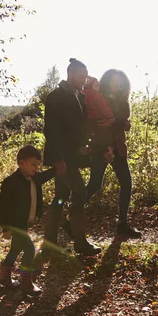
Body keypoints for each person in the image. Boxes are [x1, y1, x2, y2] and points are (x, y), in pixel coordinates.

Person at [41, 58, 102, 256]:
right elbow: (51, 131)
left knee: (60, 196)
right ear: (70, 74)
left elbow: (82, 126)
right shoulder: (55, 97)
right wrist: (58, 160)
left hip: (72, 157)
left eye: (85, 76)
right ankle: (80, 243)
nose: (83, 80)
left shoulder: (80, 96)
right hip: (62, 157)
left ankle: (49, 243)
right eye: (80, 76)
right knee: (80, 192)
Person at [85, 69, 142, 238]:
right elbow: (95, 120)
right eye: (113, 81)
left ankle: (122, 224)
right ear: (107, 81)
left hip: (117, 147)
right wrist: (117, 124)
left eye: (119, 82)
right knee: (95, 183)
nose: (116, 84)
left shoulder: (123, 99)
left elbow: (123, 122)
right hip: (100, 146)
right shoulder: (98, 96)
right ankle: (70, 217)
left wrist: (118, 122)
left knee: (126, 183)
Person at [0, 145, 56, 295]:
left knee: (16, 248)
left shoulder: (35, 178)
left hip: (24, 222)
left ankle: (4, 277)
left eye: (38, 165)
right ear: (21, 163)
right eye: (33, 164)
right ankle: (26, 282)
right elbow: (3, 207)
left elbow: (44, 176)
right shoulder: (10, 182)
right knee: (30, 249)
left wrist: (57, 169)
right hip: (15, 225)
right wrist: (6, 228)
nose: (36, 168)